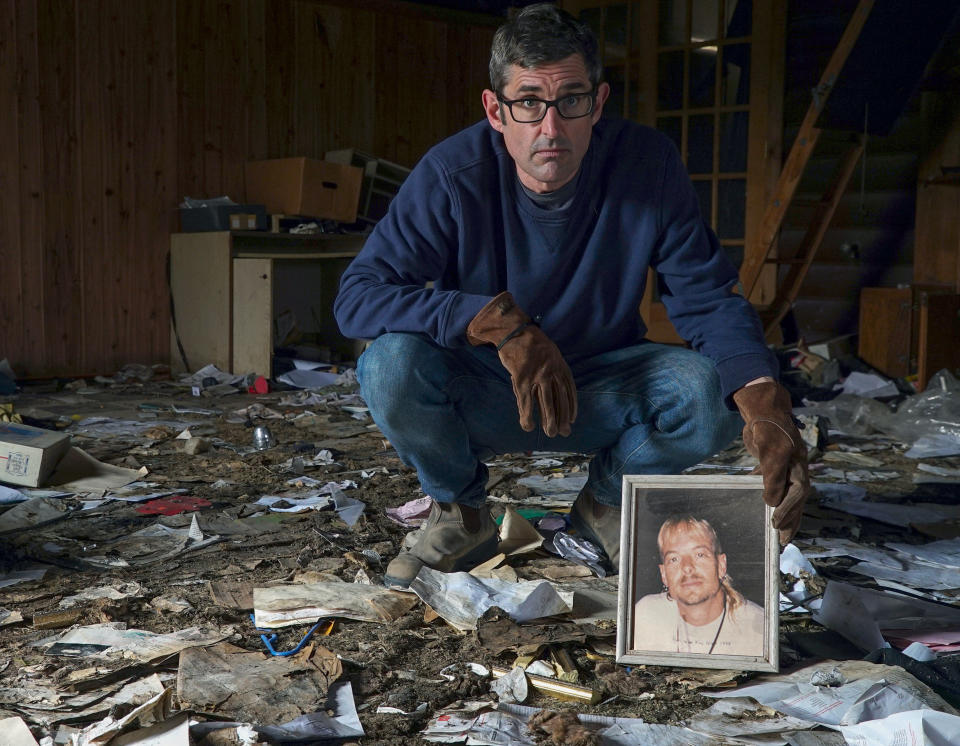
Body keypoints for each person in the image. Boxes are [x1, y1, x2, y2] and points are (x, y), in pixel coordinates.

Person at [333, 4, 810, 590]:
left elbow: (707, 295)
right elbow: (358, 297)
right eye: (529, 102)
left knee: (711, 390)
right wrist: (497, 325)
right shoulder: (452, 174)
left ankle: (602, 507)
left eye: (572, 102)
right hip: (487, 386)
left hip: (600, 386)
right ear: (495, 110)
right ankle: (461, 511)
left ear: (599, 103)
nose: (550, 129)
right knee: (389, 365)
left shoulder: (647, 164)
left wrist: (763, 397)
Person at [632, 516, 764, 656]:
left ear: (721, 565)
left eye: (699, 555)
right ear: (664, 574)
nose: (687, 567)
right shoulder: (644, 615)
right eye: (674, 559)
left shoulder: (757, 629)